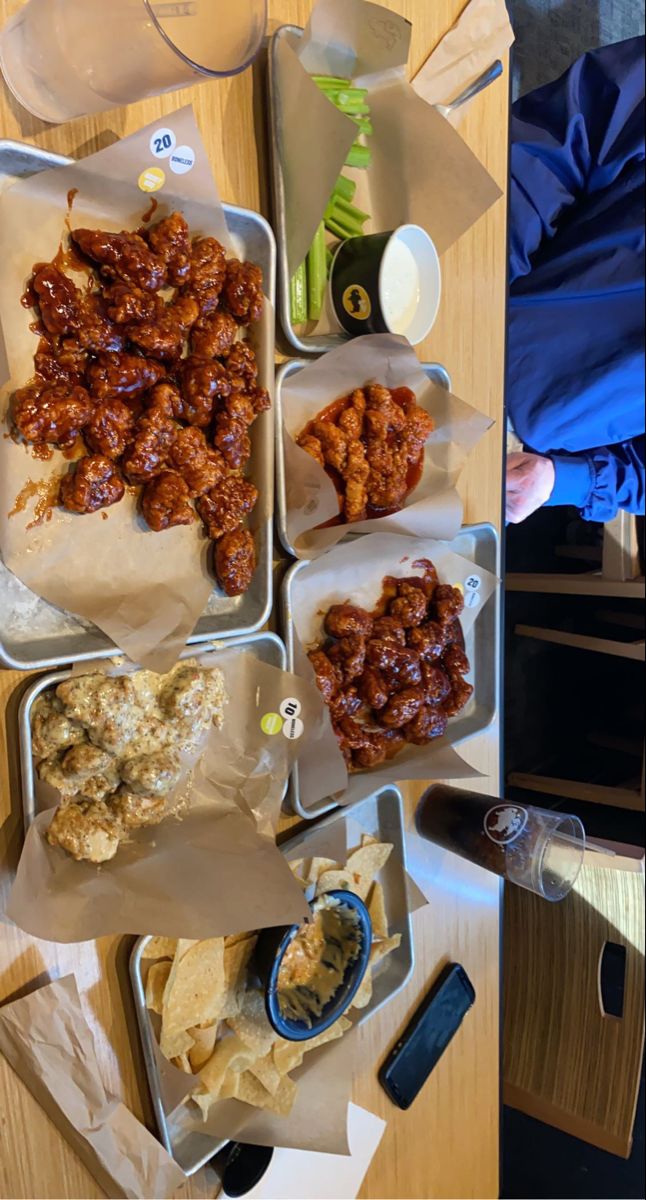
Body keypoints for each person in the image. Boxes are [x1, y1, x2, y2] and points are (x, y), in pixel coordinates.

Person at [505, 36, 645, 525]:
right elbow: (563, 138)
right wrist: (484, 272)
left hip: (511, 441)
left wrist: (567, 479)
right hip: (475, 285)